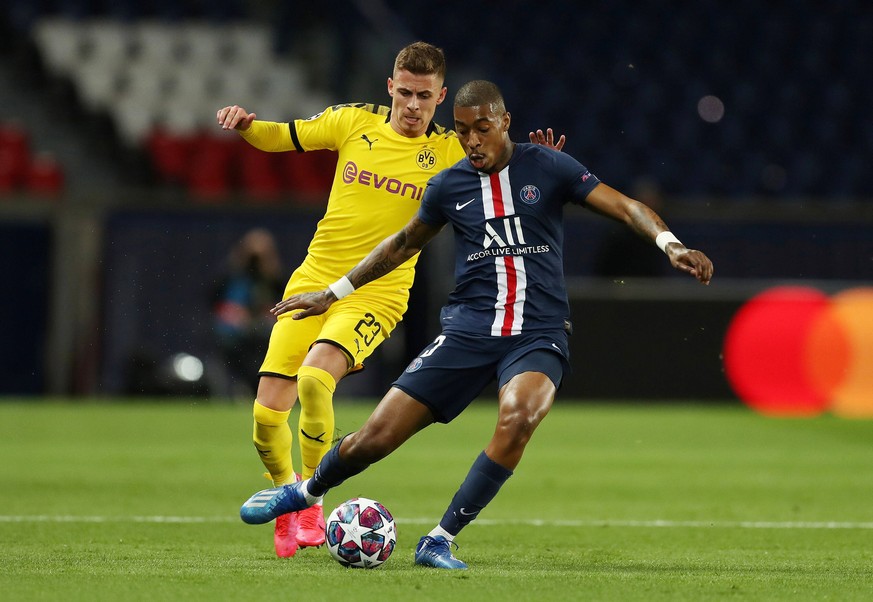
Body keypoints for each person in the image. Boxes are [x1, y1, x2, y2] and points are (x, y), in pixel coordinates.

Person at [237, 80, 714, 569]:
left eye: (482, 129)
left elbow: (625, 206)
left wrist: (671, 244)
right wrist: (331, 294)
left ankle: (440, 538)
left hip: (537, 332)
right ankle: (304, 493)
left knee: (520, 416)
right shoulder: (448, 184)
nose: (471, 141)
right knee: (377, 437)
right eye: (463, 132)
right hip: (468, 329)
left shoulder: (547, 166)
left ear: (505, 122)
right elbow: (400, 246)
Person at [215, 43, 564, 558]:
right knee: (267, 415)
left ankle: (310, 498)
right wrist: (246, 125)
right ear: (390, 87)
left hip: (377, 294)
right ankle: (288, 496)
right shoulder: (352, 122)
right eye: (405, 92)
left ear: (441, 96)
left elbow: (504, 162)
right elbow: (285, 136)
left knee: (314, 379)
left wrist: (543, 159)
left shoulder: (449, 149)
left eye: (425, 96)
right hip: (312, 280)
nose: (413, 105)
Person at [211, 228, 284, 398]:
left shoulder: (276, 280)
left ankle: (266, 390)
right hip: (236, 335)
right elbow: (217, 304)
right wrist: (235, 314)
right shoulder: (230, 277)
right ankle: (241, 388)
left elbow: (284, 304)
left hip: (266, 333)